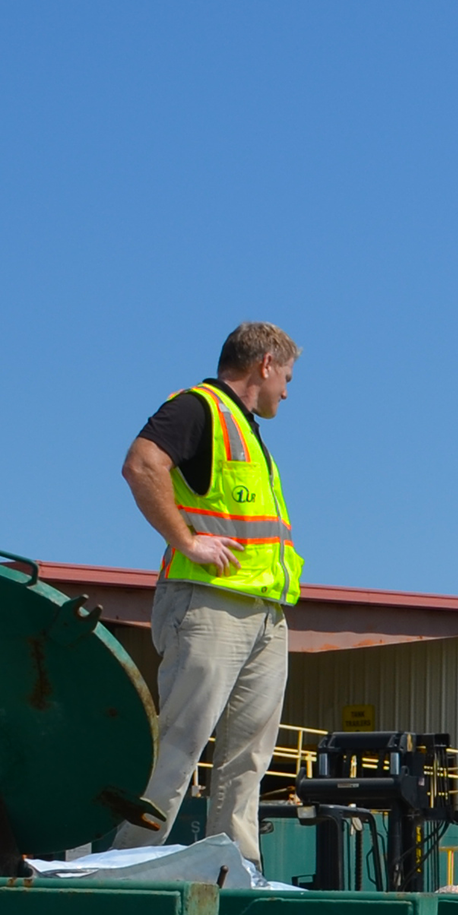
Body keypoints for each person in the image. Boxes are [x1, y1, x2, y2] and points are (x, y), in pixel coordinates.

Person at [114, 322, 304, 860]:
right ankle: (123, 861)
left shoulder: (246, 431)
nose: (287, 392)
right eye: (286, 377)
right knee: (179, 743)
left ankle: (234, 869)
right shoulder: (199, 409)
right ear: (265, 364)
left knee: (251, 756)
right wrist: (186, 541)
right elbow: (140, 463)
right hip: (209, 605)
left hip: (265, 613)